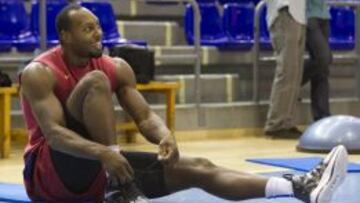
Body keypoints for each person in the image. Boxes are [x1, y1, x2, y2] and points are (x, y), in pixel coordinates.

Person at [20, 4, 348, 203]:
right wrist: (108, 154)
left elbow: (145, 115)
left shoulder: (115, 66)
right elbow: (54, 135)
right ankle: (117, 188)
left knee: (198, 167)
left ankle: (301, 187)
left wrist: (165, 135)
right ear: (64, 35)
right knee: (96, 83)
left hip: (105, 168)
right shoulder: (39, 72)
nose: (97, 34)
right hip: (53, 176)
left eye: (98, 27)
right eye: (87, 29)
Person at [264, 0, 306, 138]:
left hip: (299, 14)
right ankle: (275, 124)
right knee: (287, 70)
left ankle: (286, 121)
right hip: (284, 11)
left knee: (295, 72)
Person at [302, 0, 332, 121]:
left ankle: (322, 116)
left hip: (324, 15)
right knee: (324, 58)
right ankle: (293, 82)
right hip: (308, 15)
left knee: (322, 69)